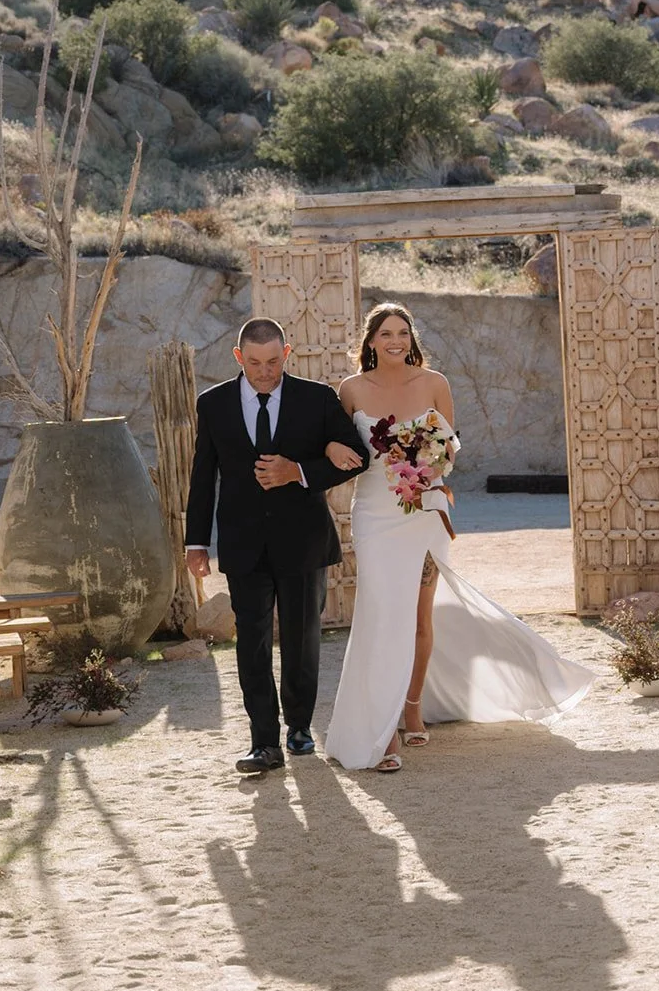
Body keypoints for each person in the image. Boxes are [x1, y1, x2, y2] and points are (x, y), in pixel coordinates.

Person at [323, 302, 594, 772]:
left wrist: (426, 467)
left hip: (425, 510)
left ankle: (412, 705)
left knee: (420, 618)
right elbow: (334, 444)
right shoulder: (349, 390)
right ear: (369, 341)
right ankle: (381, 729)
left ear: (411, 339)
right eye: (385, 333)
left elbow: (449, 448)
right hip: (373, 514)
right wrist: (331, 446)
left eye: (403, 333)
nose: (395, 341)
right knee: (381, 615)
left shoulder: (435, 383)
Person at [185, 317, 368, 776]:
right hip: (243, 542)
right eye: (254, 363)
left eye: (272, 362)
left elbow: (356, 457)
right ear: (238, 357)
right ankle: (263, 741)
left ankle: (300, 728)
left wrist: (301, 472)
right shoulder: (213, 404)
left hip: (303, 539)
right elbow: (204, 476)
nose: (264, 371)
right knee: (251, 642)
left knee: (302, 638)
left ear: (287, 354)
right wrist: (195, 542)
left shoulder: (318, 399)